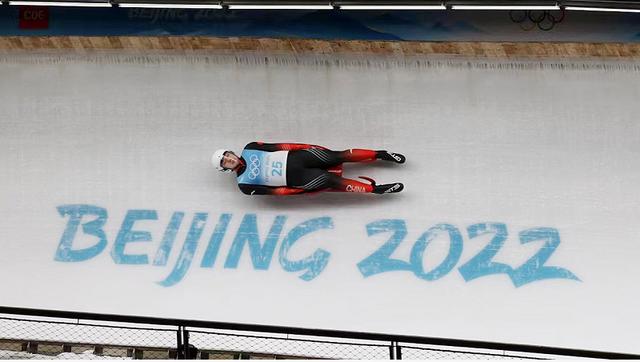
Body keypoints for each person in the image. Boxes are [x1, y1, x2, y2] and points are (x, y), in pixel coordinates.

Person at [211, 142, 405, 195]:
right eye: (225, 162)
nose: (229, 160)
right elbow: (276, 192)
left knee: (338, 155)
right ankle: (375, 189)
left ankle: (380, 154)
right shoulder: (245, 185)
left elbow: (281, 146)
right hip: (300, 178)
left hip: (300, 157)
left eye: (227, 156)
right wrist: (298, 192)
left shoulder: (251, 147)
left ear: (231, 152)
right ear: (225, 169)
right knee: (331, 181)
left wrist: (303, 146)